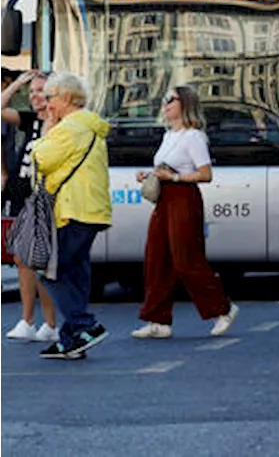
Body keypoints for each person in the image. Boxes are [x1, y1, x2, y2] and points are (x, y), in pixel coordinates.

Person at [132, 86, 238, 339]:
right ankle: (157, 320)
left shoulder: (194, 137)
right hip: (164, 198)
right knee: (156, 257)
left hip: (184, 197)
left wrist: (176, 177)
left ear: (185, 104)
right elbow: (166, 168)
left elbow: (205, 173)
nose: (165, 104)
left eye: (171, 99)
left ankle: (223, 308)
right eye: (164, 99)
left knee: (186, 258)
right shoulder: (169, 135)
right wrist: (150, 175)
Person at [30, 72, 112, 360]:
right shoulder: (88, 125)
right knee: (75, 272)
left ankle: (85, 325)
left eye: (50, 98)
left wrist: (47, 132)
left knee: (48, 270)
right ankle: (71, 340)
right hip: (89, 209)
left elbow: (39, 159)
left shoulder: (70, 128)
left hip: (72, 210)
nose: (47, 104)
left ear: (65, 97)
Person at [0, 70, 58, 342]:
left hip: (44, 199)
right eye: (32, 91)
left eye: (40, 91)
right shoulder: (31, 121)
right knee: (22, 259)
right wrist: (18, 85)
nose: (35, 96)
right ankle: (29, 320)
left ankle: (50, 322)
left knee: (40, 261)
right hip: (23, 196)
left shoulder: (60, 125)